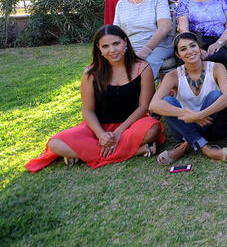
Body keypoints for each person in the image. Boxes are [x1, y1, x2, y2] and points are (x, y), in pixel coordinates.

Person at [25, 25, 162, 172]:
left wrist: (119, 132)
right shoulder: (91, 73)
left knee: (153, 129)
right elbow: (88, 111)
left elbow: (143, 106)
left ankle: (82, 154)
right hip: (98, 127)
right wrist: (101, 135)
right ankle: (138, 150)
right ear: (99, 48)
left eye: (116, 43)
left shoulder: (143, 67)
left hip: (132, 125)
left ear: (125, 42)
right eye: (105, 46)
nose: (112, 50)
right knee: (55, 144)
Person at [149, 32, 227, 164]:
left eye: (192, 46)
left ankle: (186, 145)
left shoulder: (217, 68)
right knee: (166, 102)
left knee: (216, 96)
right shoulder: (173, 76)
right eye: (183, 49)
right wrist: (188, 114)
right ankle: (206, 148)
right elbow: (153, 105)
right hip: (184, 125)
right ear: (178, 55)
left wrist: (200, 115)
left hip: (215, 127)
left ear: (199, 48)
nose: (189, 51)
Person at [113, 0, 173, 78]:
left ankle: (144, 95)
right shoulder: (121, 4)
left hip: (157, 47)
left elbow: (165, 28)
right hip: (129, 48)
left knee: (138, 73)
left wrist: (146, 50)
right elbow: (116, 32)